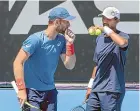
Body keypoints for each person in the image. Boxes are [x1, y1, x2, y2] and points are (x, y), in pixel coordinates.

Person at [13, 7, 76, 111]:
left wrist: (70, 43)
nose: (69, 25)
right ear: (57, 22)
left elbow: (70, 65)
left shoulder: (62, 40)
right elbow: (17, 62)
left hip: (50, 93)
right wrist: (21, 90)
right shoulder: (35, 39)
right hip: (32, 92)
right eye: (66, 22)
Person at [85, 7, 129, 111]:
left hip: (112, 90)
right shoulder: (99, 38)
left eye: (108, 19)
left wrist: (107, 30)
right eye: (103, 18)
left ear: (117, 20)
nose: (104, 21)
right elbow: (97, 64)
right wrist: (90, 86)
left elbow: (122, 43)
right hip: (96, 89)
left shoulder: (123, 36)